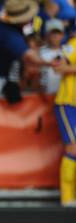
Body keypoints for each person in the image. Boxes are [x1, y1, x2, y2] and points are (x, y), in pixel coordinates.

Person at [54, 33, 76, 205]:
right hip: (68, 103)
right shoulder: (72, 45)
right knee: (73, 148)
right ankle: (67, 200)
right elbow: (58, 67)